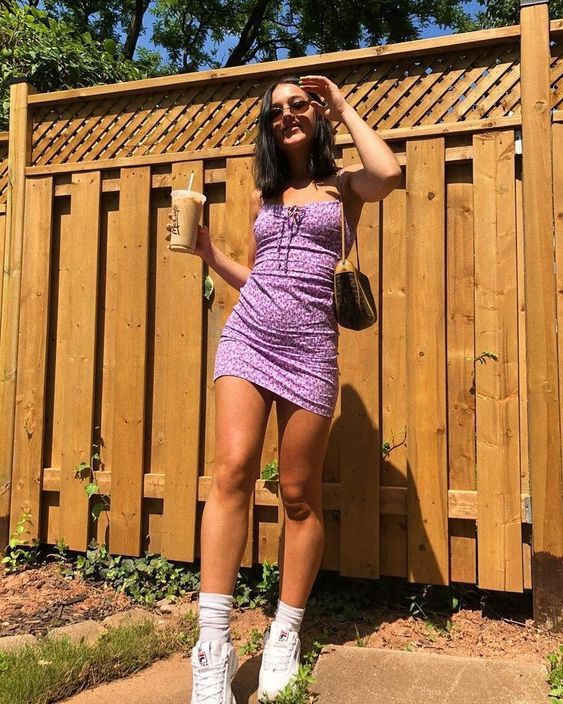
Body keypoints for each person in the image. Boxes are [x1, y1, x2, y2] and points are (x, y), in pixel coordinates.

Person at [168, 74, 401, 704]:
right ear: (268, 126)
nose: (287, 115)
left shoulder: (343, 185)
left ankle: (284, 633)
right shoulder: (262, 194)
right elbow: (258, 275)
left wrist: (343, 105)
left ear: (316, 114)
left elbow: (389, 173)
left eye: (299, 105)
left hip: (310, 349)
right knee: (232, 471)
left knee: (299, 494)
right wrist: (210, 254)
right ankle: (212, 646)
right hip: (249, 336)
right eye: (276, 111)